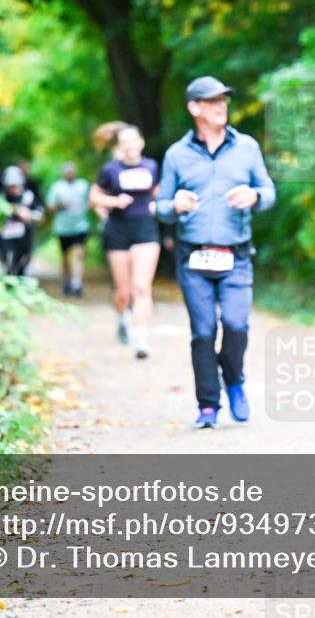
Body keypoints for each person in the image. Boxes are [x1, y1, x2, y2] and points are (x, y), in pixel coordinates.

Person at [156, 76, 276, 429]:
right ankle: (208, 405)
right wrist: (173, 204)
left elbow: (268, 192)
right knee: (204, 332)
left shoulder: (247, 147)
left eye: (223, 99)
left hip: (235, 255)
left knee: (237, 325)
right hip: (193, 258)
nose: (221, 105)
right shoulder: (176, 154)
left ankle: (234, 379)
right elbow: (160, 206)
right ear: (194, 108)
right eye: (211, 101)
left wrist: (255, 196)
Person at [90, 121, 161, 359]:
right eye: (125, 142)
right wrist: (114, 202)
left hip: (145, 229)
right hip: (118, 230)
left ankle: (141, 338)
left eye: (134, 141)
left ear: (142, 142)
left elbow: (158, 192)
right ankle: (123, 317)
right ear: (120, 147)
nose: (130, 146)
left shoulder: (152, 166)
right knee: (124, 292)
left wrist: (158, 204)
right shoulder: (111, 170)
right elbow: (94, 198)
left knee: (142, 287)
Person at [46, 162, 90, 297]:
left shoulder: (83, 185)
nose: (69, 173)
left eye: (71, 171)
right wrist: (59, 205)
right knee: (65, 256)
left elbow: (91, 201)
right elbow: (49, 207)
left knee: (79, 254)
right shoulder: (57, 187)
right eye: (67, 171)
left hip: (80, 226)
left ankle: (77, 283)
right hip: (63, 227)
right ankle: (67, 281)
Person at [0, 165, 44, 276]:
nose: (14, 189)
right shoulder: (1, 198)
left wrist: (29, 215)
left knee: (23, 264)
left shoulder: (29, 197)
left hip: (24, 239)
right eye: (11, 186)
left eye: (16, 186)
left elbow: (40, 215)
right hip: (6, 239)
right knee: (9, 264)